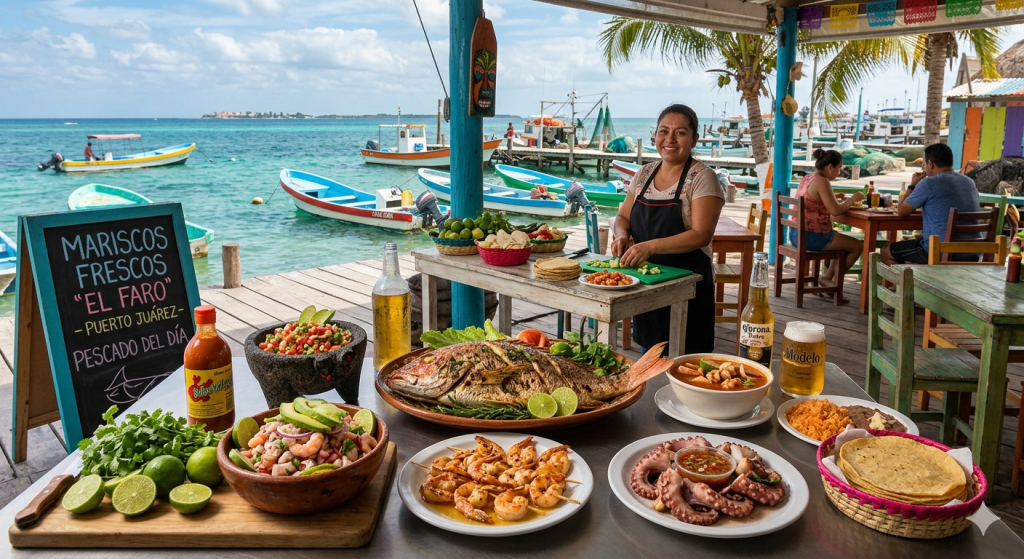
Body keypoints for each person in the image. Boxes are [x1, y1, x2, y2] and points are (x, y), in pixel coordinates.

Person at [611, 104, 724, 354]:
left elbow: (701, 234)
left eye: (680, 133)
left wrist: (649, 247)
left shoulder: (702, 177)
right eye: (664, 131)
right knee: (651, 357)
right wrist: (621, 235)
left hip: (688, 285)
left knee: (686, 363)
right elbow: (622, 216)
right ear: (655, 135)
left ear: (694, 139)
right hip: (646, 284)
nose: (670, 139)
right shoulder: (644, 174)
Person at [882, 143, 981, 265]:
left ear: (930, 164)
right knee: (913, 252)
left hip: (939, 250)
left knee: (886, 251)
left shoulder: (929, 183)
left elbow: (901, 211)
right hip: (973, 251)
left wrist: (912, 185)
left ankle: (908, 278)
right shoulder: (969, 182)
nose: (923, 167)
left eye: (924, 163)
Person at [790, 148, 865, 292]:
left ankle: (827, 279)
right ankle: (832, 282)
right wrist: (853, 199)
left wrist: (833, 196)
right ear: (830, 167)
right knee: (856, 246)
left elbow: (813, 198)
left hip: (795, 234)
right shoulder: (822, 181)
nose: (839, 172)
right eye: (839, 168)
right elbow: (835, 211)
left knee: (843, 242)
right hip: (812, 237)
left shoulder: (808, 178)